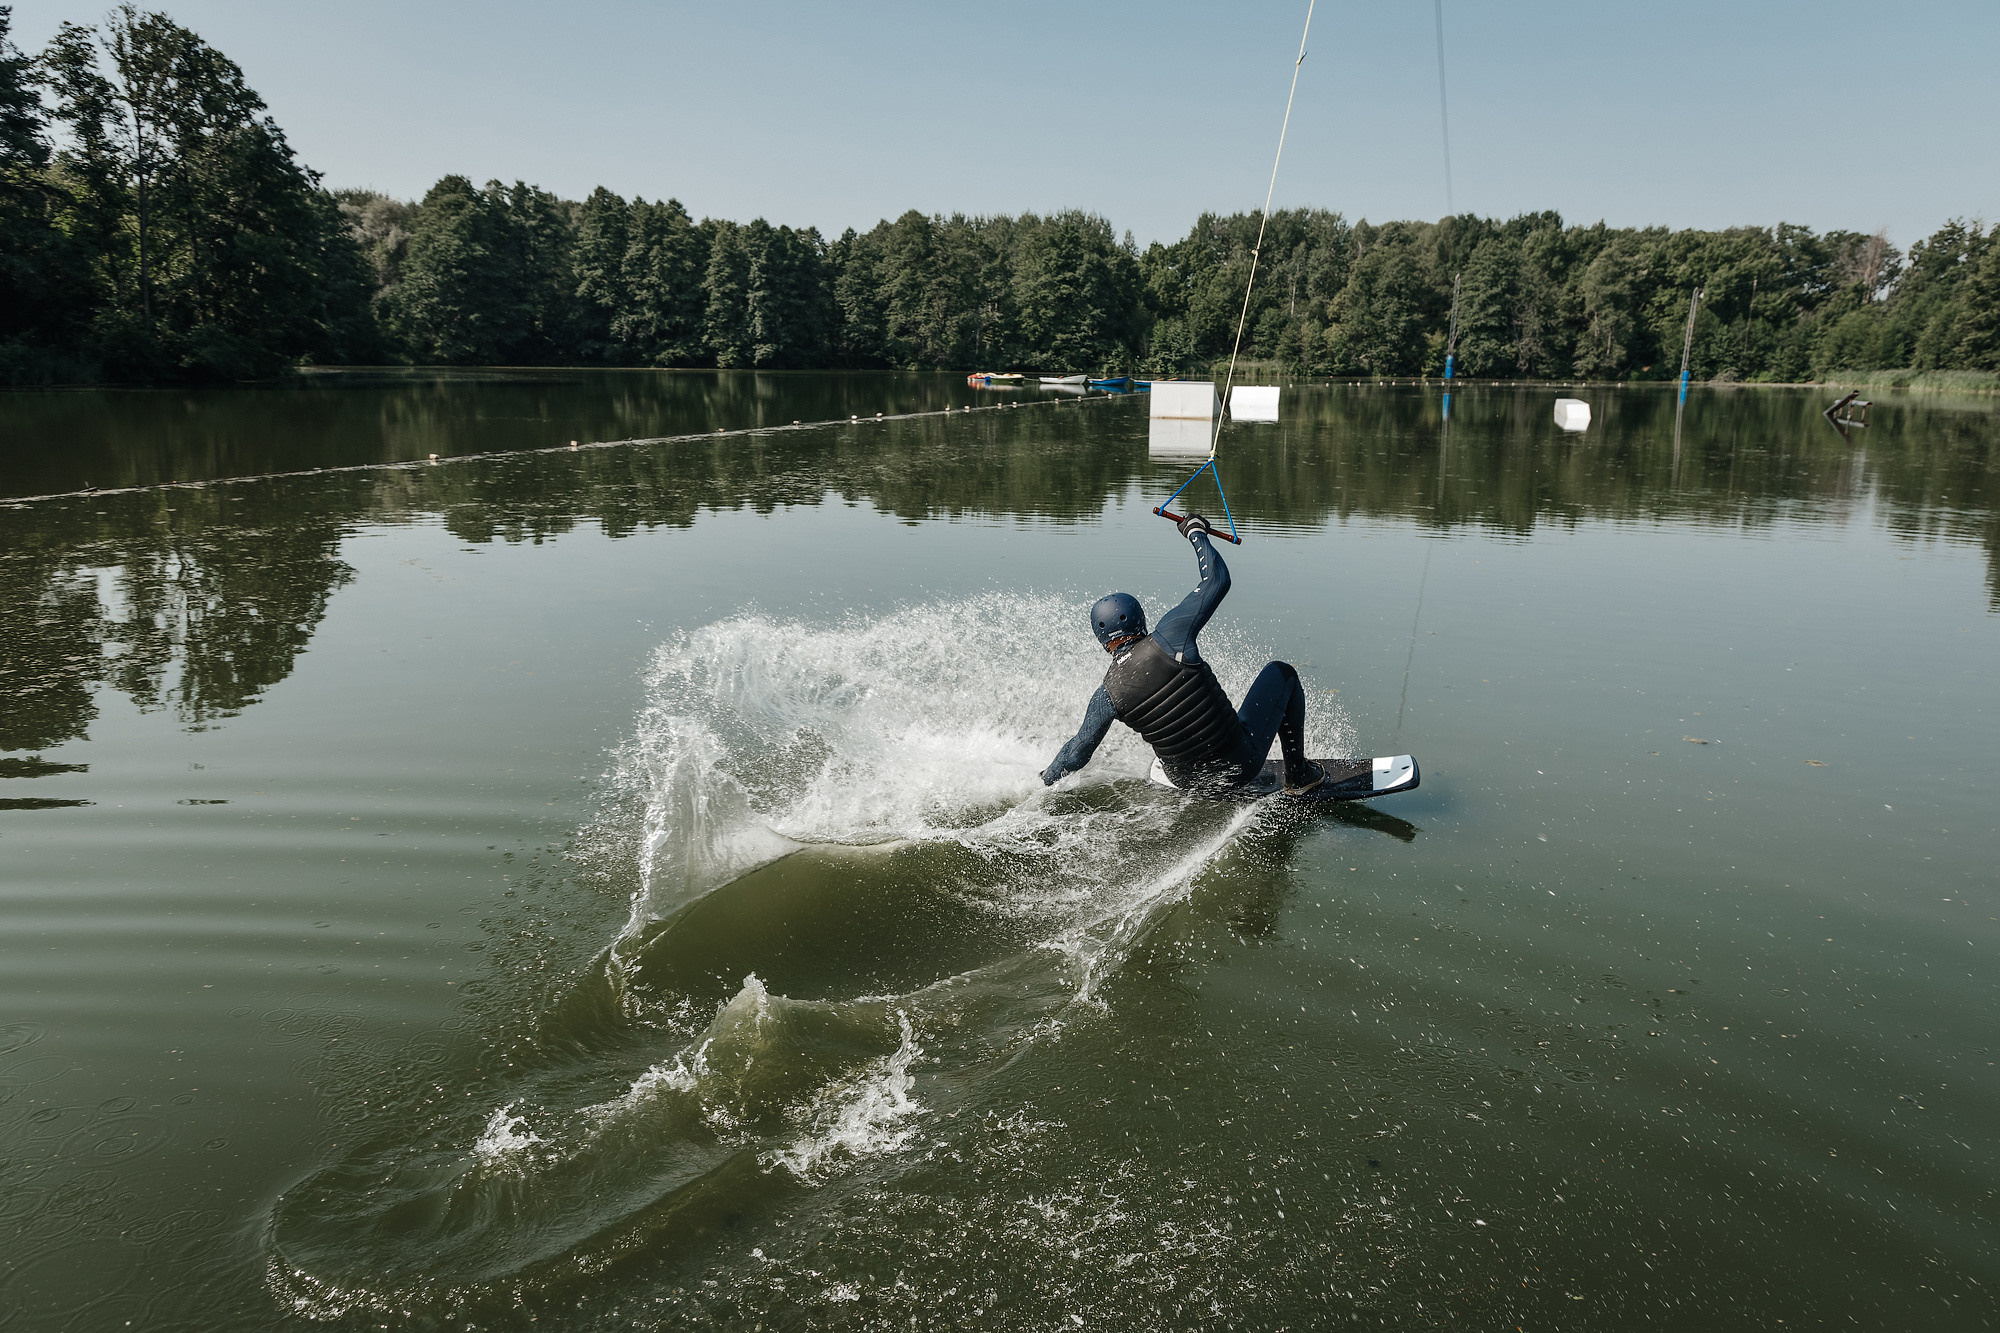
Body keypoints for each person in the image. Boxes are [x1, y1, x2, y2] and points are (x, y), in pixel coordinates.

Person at [1041, 513, 1326, 796]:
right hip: (1241, 766)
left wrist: (1043, 781)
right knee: (1282, 673)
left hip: (1187, 783)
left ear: (1103, 641)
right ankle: (1299, 777)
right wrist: (1195, 532)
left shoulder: (1106, 695)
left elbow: (1076, 754)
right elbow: (1217, 580)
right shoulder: (1170, 635)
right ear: (1140, 621)